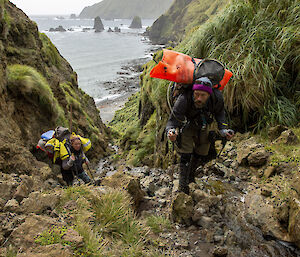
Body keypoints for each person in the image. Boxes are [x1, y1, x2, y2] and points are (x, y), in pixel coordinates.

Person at [166, 77, 234, 194]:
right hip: (187, 125)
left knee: (202, 151)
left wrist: (224, 130)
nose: (199, 98)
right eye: (196, 94)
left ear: (209, 94)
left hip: (204, 124)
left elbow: (220, 114)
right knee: (185, 153)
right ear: (193, 91)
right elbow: (173, 120)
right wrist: (170, 131)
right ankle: (183, 187)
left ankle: (191, 177)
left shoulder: (216, 98)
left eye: (203, 95)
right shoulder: (184, 99)